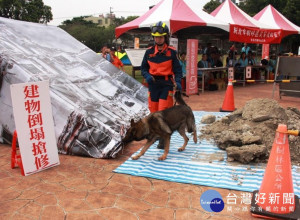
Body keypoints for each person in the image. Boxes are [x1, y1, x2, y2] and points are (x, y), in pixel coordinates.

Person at [141, 21, 182, 149]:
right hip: (153, 85)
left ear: (165, 37)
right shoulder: (148, 52)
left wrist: (179, 82)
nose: (158, 39)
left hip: (166, 84)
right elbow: (143, 68)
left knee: (163, 111)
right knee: (153, 111)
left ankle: (164, 138)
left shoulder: (172, 52)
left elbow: (178, 70)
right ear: (153, 38)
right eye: (156, 37)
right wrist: (147, 76)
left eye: (161, 37)